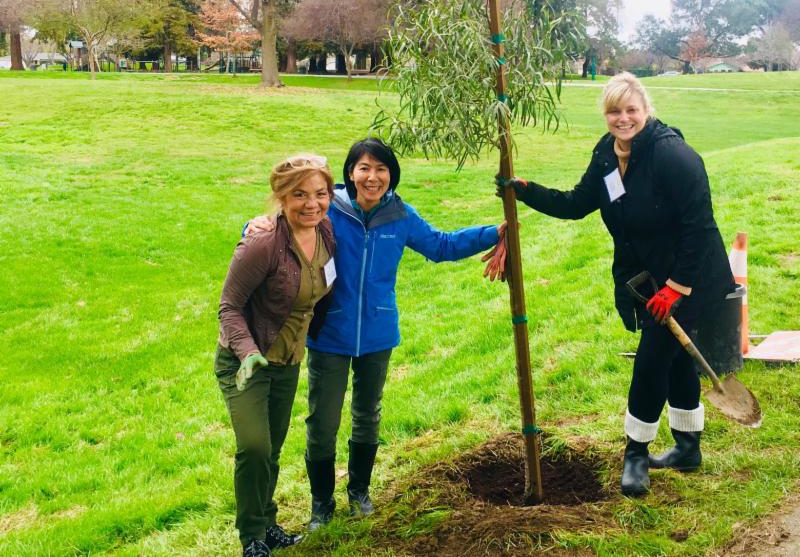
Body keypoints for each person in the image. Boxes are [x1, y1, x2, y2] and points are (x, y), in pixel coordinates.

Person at [497, 72, 734, 497]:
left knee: (651, 361)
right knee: (677, 358)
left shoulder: (674, 157)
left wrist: (676, 287)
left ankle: (636, 454)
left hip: (691, 277)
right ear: (605, 114)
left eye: (631, 110)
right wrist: (526, 191)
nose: (623, 119)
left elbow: (700, 229)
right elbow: (577, 203)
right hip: (648, 279)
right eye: (614, 111)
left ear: (646, 110)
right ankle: (687, 447)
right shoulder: (607, 154)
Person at [249, 137, 505, 528]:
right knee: (323, 422)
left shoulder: (400, 215)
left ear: (391, 175)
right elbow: (284, 222)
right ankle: (322, 504)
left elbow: (441, 245)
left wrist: (494, 232)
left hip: (378, 333)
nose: (372, 176)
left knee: (367, 415)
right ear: (350, 173)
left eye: (381, 169)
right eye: (363, 168)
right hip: (329, 333)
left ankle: (359, 493)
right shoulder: (328, 209)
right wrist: (258, 223)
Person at [216, 154, 337, 557]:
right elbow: (229, 306)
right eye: (299, 194)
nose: (311, 203)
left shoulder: (326, 234)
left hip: (288, 359)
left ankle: (268, 525)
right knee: (254, 446)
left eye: (320, 193)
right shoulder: (264, 240)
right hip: (247, 362)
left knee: (272, 448)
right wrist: (247, 352)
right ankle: (252, 536)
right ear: (281, 197)